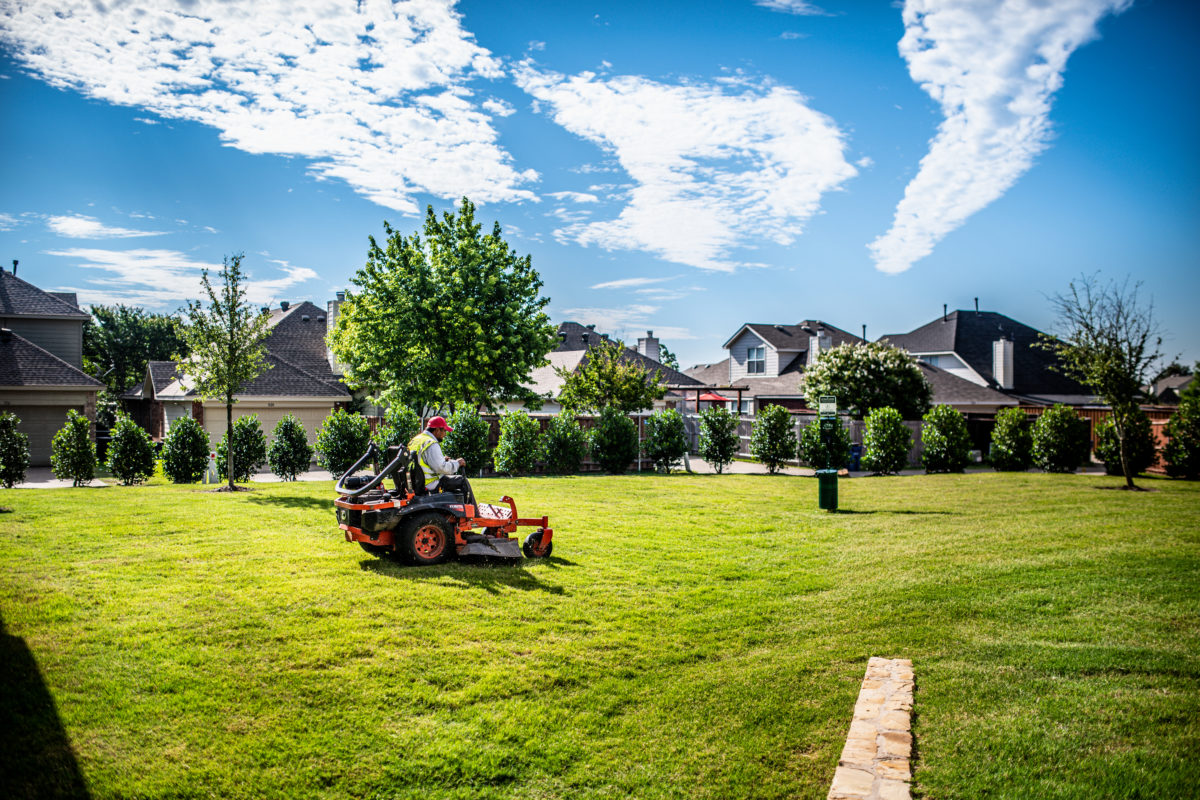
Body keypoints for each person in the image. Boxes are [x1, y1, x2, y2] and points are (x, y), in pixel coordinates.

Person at [408, 416, 475, 504]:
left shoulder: (416, 440)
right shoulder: (431, 443)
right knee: (462, 481)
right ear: (437, 430)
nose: (445, 434)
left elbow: (422, 461)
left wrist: (442, 459)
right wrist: (458, 463)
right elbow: (442, 468)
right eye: (444, 431)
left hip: (417, 483)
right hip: (430, 484)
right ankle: (472, 512)